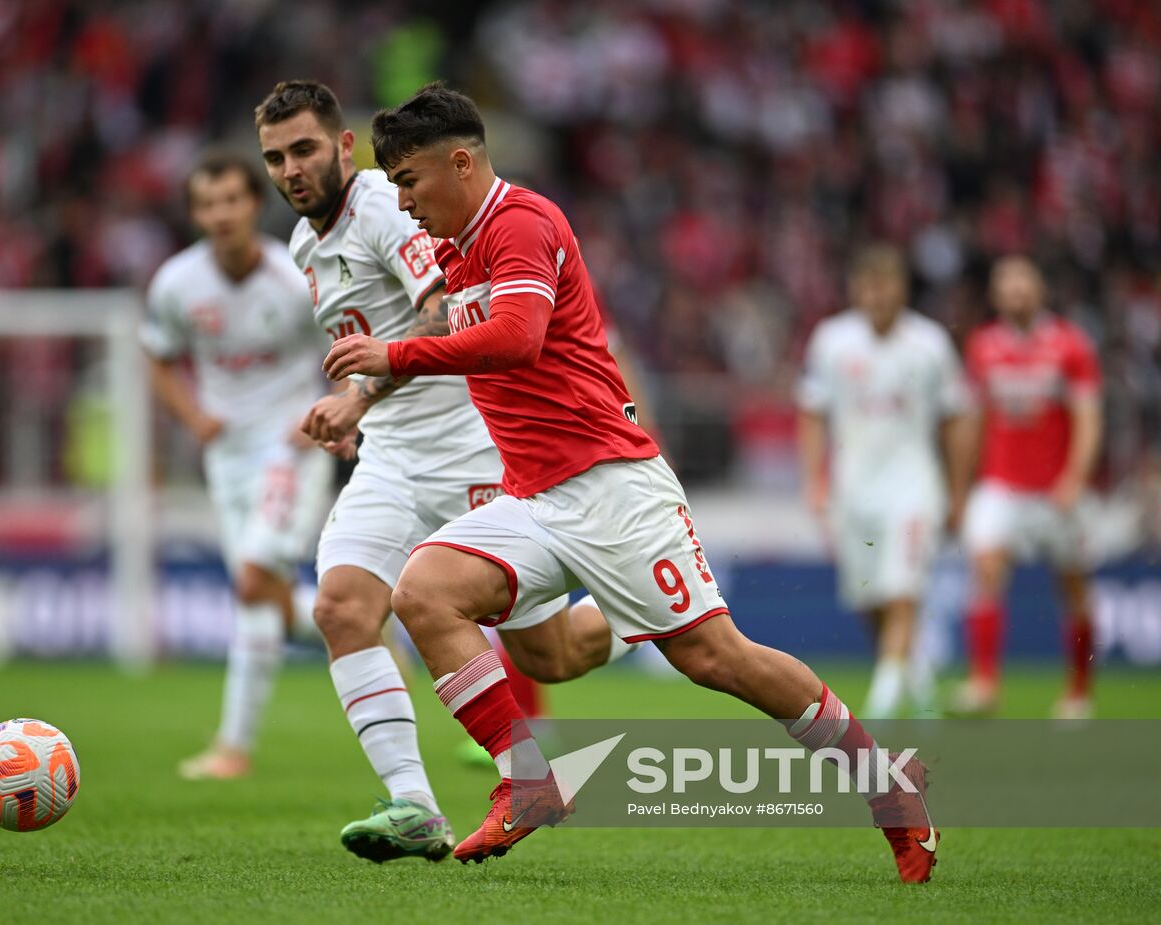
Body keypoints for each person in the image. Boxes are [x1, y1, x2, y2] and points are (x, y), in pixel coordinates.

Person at [323, 83, 939, 883]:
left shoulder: (521, 223)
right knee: (431, 594)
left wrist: (393, 355)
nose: (403, 202)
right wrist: (362, 395)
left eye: (410, 181)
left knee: (716, 659)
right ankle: (529, 778)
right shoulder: (453, 248)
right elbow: (446, 326)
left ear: (462, 164)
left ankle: (887, 785)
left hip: (613, 487)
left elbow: (517, 338)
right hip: (533, 496)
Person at [256, 80, 631, 864]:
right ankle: (416, 806)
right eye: (276, 157)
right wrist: (357, 412)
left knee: (551, 656)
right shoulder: (303, 246)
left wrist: (356, 397)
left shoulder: (388, 207)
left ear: (344, 147)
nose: (291, 169)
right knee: (341, 607)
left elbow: (444, 307)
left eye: (305, 149)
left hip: (472, 448)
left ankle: (642, 603)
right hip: (392, 458)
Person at [141, 149, 333, 781]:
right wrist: (194, 418)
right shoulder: (176, 284)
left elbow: (347, 346)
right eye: (207, 204)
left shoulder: (295, 278)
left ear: (254, 204)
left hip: (290, 448)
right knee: (261, 596)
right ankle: (353, 619)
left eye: (231, 200)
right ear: (195, 214)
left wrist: (328, 412)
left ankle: (233, 747)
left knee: (253, 583)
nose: (221, 214)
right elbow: (157, 357)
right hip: (226, 458)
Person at [798, 245, 973, 717]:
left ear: (902, 288)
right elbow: (812, 413)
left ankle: (881, 708)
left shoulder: (930, 344)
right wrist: (814, 479)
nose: (877, 295)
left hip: (913, 486)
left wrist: (958, 491)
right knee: (869, 599)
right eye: (868, 285)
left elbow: (957, 418)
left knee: (902, 590)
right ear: (855, 289)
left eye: (886, 284)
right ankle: (914, 678)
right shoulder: (832, 341)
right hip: (853, 489)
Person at [954, 256, 1103, 719]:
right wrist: (960, 487)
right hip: (1001, 484)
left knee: (1073, 586)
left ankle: (1078, 692)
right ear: (995, 294)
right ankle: (984, 684)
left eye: (1023, 282)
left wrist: (1075, 478)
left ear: (1040, 289)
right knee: (986, 568)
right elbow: (974, 420)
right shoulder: (982, 346)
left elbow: (1088, 419)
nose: (1016, 291)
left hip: (1057, 489)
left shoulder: (1070, 345)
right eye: (1007, 284)